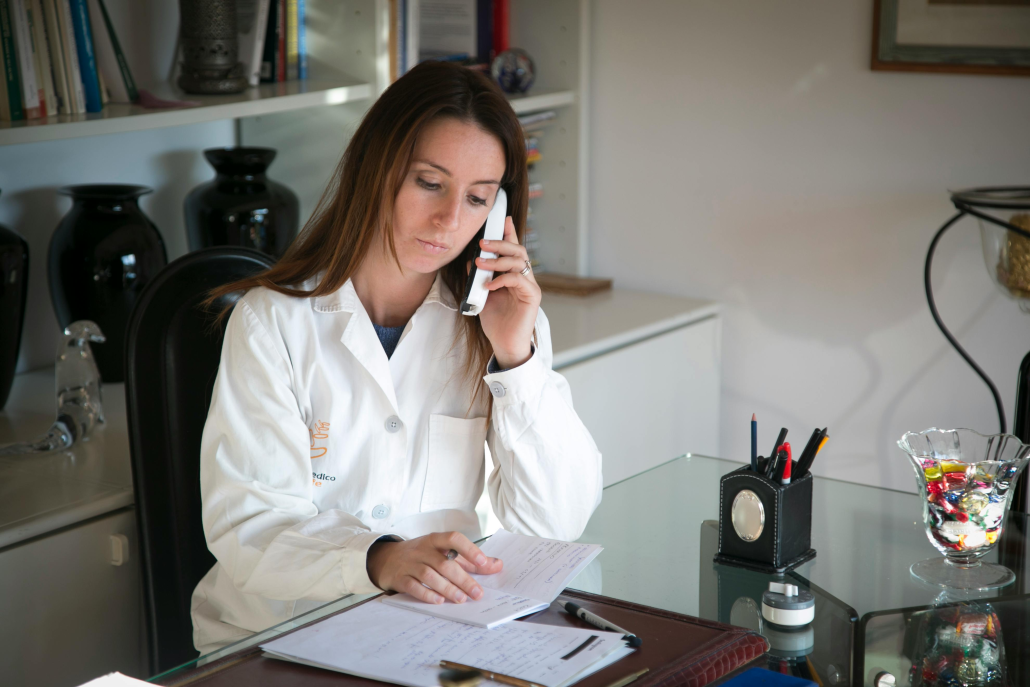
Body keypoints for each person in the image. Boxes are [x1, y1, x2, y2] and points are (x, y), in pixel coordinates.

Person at [190, 61, 603, 653]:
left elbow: (556, 522)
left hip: (429, 633)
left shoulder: (501, 325)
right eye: (429, 183)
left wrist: (517, 360)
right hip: (277, 636)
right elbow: (250, 528)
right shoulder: (273, 321)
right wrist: (378, 559)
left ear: (496, 214)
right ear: (376, 171)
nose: (449, 220)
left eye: (477, 198)